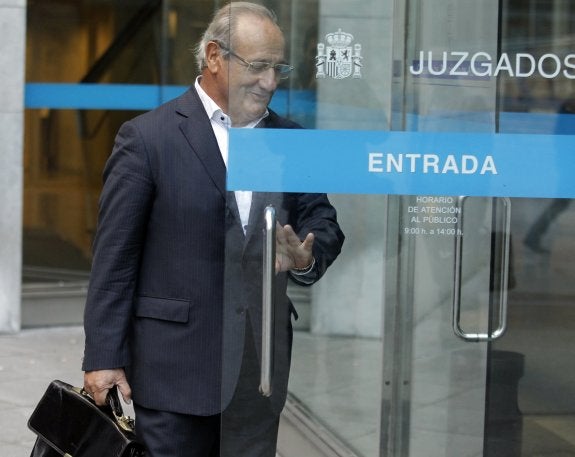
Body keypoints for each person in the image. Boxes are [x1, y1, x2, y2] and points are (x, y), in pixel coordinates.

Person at [82, 3, 344, 457]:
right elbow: (115, 258)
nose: (270, 82)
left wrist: (305, 256)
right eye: (258, 66)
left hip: (258, 374)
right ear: (214, 56)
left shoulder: (291, 141)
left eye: (277, 68)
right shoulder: (147, 139)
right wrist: (103, 356)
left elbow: (323, 222)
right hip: (172, 374)